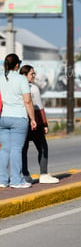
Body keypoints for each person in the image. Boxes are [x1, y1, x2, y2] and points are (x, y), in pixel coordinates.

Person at [0, 54, 37, 188]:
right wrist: (32, 119)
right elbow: (27, 101)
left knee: (5, 149)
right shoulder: (21, 79)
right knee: (16, 149)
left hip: (3, 117)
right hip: (18, 118)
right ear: (17, 65)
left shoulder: (1, 78)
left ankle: (2, 180)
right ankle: (16, 180)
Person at [19, 65, 59, 184]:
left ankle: (25, 175)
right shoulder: (33, 88)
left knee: (23, 150)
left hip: (21, 121)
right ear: (24, 75)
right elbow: (39, 107)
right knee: (42, 147)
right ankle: (44, 174)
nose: (34, 76)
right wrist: (44, 124)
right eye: (32, 74)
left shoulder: (16, 87)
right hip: (34, 122)